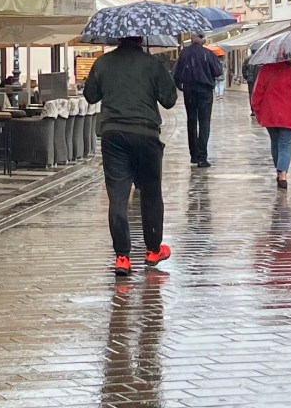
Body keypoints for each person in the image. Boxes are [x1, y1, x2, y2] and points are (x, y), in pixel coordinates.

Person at [83, 37, 178, 277]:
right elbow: (169, 100)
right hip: (145, 133)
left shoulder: (103, 62)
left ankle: (122, 257)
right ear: (141, 39)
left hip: (113, 134)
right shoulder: (153, 64)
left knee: (117, 195)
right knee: (151, 193)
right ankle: (153, 249)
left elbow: (90, 95)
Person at [251, 59, 291, 190]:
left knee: (275, 143)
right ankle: (283, 175)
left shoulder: (265, 70)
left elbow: (257, 93)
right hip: (288, 115)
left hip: (270, 113)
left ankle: (279, 172)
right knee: (285, 145)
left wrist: (257, 109)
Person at [174, 33, 222, 168]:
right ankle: (202, 157)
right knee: (204, 123)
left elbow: (176, 73)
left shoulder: (184, 53)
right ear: (202, 39)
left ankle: (194, 155)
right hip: (205, 91)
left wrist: (180, 86)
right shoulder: (208, 53)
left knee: (191, 121)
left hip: (189, 90)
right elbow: (218, 71)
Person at [242, 49, 260, 118]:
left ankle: (253, 110)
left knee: (251, 94)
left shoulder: (247, 59)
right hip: (258, 78)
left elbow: (244, 69)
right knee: (258, 93)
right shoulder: (259, 58)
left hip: (250, 79)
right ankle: (258, 108)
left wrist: (246, 76)